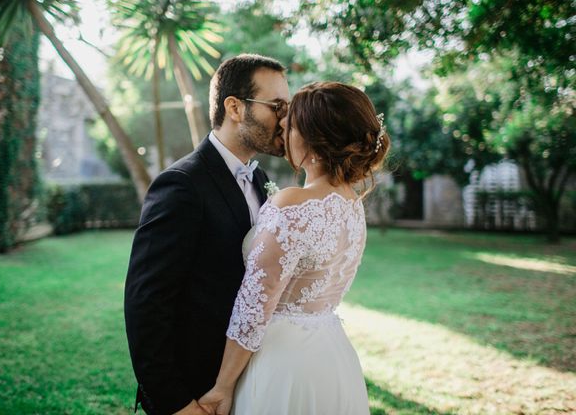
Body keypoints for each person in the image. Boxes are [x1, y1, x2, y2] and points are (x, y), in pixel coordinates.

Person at [199, 81, 390, 415]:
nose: (281, 128)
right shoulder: (351, 205)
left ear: (312, 138)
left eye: (289, 126)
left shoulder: (292, 204)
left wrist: (223, 387)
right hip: (331, 355)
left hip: (282, 362)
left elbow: (254, 307)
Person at [124, 54, 291, 415]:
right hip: (195, 391)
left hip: (246, 383)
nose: (286, 119)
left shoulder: (261, 181)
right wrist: (177, 403)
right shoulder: (181, 185)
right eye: (276, 106)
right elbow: (146, 305)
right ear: (235, 107)